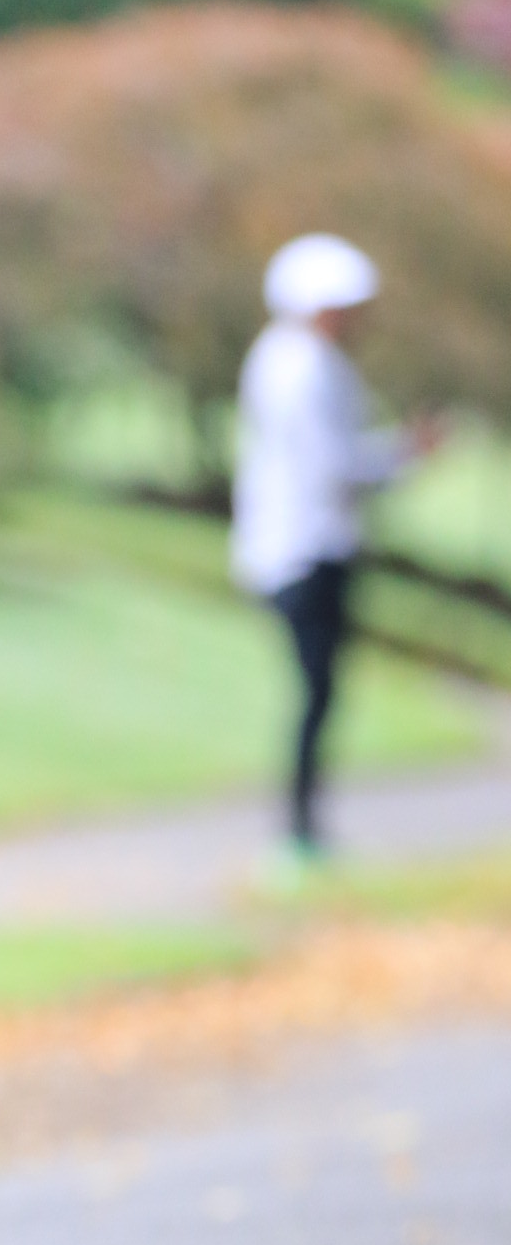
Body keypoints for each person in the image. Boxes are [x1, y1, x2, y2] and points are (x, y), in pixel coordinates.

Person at [231, 232, 428, 863]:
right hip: (305, 549)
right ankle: (299, 831)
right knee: (316, 690)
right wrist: (404, 454)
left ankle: (305, 826)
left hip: (306, 545)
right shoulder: (303, 368)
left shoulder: (295, 360)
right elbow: (334, 468)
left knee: (320, 691)